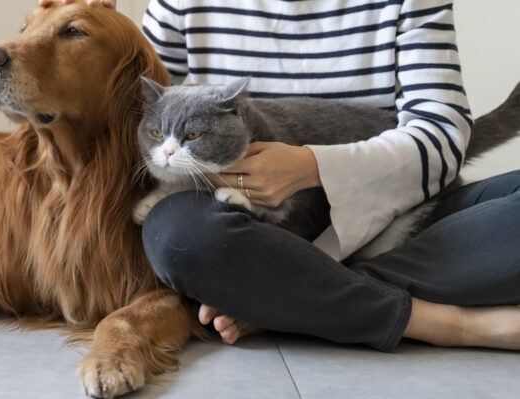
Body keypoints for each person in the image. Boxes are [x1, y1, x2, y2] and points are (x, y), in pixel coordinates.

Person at [41, 0, 520, 352]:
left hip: (395, 210)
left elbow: (443, 134)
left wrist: (311, 167)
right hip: (238, 224)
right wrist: (83, 37)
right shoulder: (180, 4)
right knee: (178, 234)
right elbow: (140, 109)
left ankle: (290, 297)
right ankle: (444, 323)